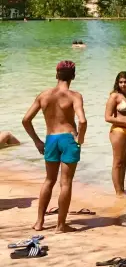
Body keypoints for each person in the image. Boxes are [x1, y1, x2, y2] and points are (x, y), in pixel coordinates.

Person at [21, 60, 87, 233]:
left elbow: (25, 120)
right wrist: (80, 139)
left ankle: (39, 222)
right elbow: (82, 121)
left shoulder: (44, 95)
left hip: (50, 139)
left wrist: (37, 141)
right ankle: (60, 225)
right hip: (68, 139)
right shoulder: (75, 96)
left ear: (56, 74)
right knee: (65, 183)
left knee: (49, 180)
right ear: (73, 75)